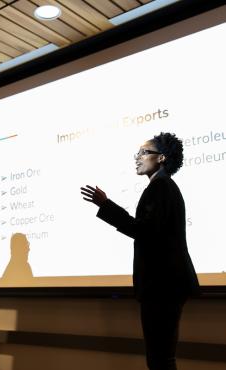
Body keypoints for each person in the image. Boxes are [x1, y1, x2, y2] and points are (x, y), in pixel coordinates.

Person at [81, 132, 199, 370]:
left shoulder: (161, 186)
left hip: (163, 286)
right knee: (161, 357)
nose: (137, 158)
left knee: (160, 359)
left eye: (144, 153)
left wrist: (105, 205)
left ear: (162, 158)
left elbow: (143, 231)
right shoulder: (162, 185)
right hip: (166, 286)